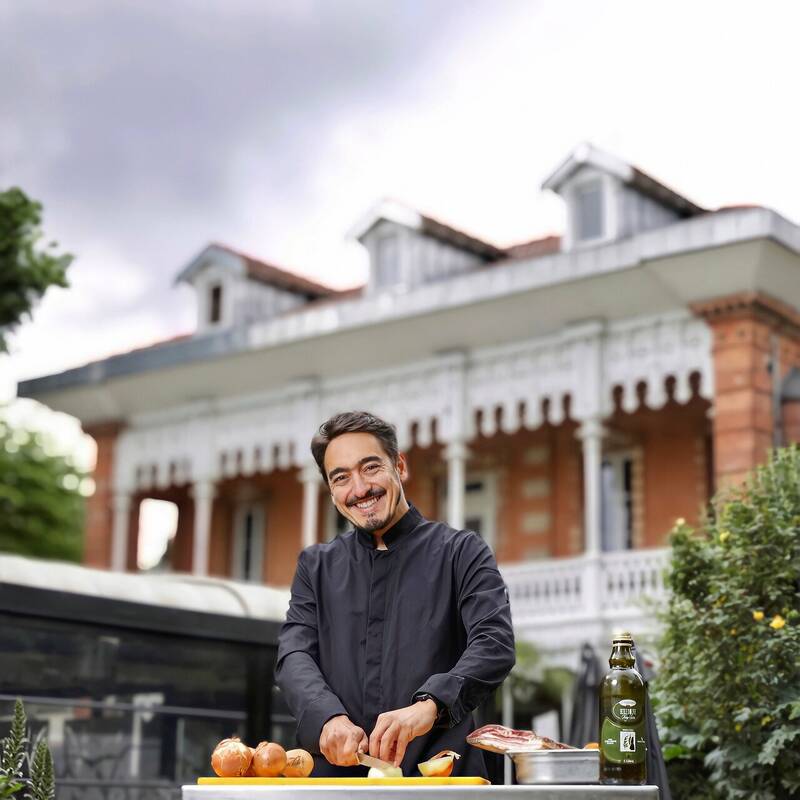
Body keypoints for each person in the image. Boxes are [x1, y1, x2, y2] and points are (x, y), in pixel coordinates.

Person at [275, 411, 515, 778]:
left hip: (443, 777)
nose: (359, 489)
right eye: (341, 478)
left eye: (371, 468)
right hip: (337, 781)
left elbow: (494, 642)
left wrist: (430, 705)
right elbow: (294, 655)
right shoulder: (315, 566)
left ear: (399, 466)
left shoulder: (462, 552)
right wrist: (327, 716)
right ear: (331, 491)